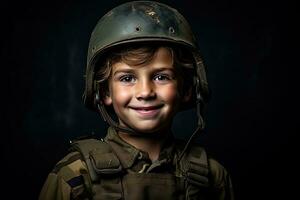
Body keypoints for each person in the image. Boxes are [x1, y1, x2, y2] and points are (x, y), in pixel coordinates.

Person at [39, 1, 234, 199]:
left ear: (187, 89)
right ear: (105, 92)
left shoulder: (212, 177)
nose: (145, 92)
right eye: (127, 78)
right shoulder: (76, 176)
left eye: (161, 77)